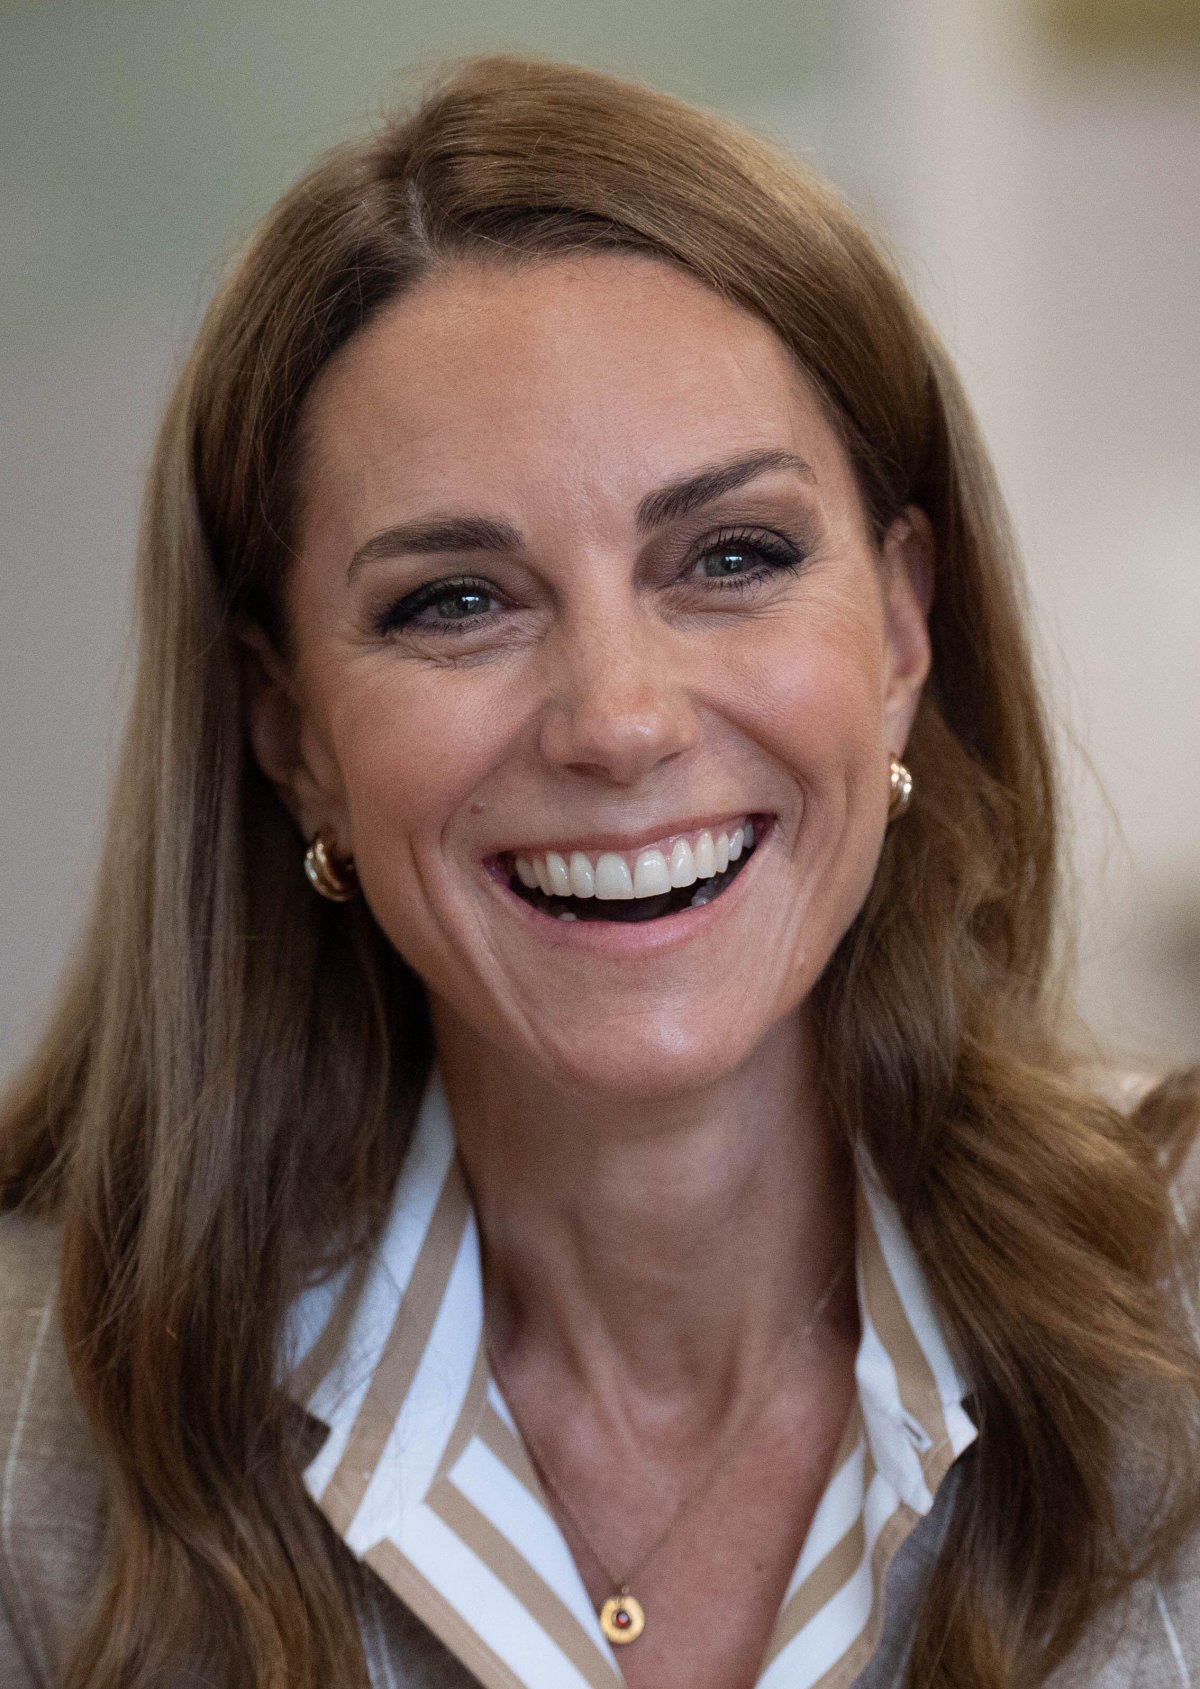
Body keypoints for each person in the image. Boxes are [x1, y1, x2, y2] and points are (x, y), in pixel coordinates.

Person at [0, 53, 1197, 1689]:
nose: (619, 722)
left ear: (906, 623)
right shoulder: (29, 1421)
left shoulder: (1176, 1310)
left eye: (731, 557)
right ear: (294, 735)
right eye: (456, 600)